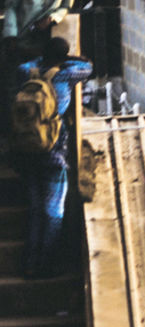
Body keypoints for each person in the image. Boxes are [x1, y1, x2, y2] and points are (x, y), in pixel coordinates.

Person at [11, 36, 91, 280]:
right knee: (53, 211)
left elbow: (25, 64)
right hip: (53, 153)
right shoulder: (66, 75)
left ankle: (29, 263)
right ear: (63, 58)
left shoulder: (26, 72)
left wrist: (42, 58)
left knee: (36, 209)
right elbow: (88, 66)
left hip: (26, 151)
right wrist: (70, 58)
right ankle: (45, 264)